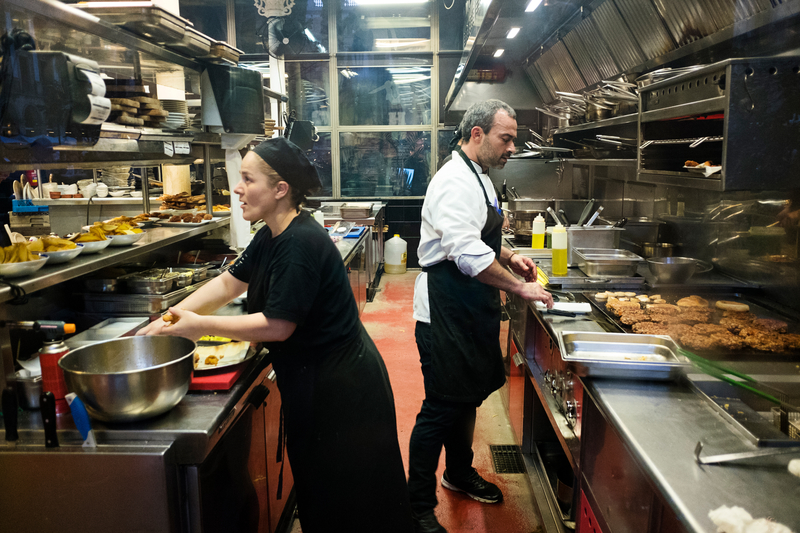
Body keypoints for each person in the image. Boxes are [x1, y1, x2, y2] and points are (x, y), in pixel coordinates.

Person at [138, 137, 414, 533]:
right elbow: (230, 284)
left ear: (280, 189)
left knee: (353, 501)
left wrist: (198, 326)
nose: (237, 188)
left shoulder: (300, 242)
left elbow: (277, 326)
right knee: (325, 494)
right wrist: (170, 318)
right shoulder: (270, 234)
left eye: (247, 179)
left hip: (342, 391)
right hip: (317, 380)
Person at [408, 100, 553, 533]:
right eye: (505, 138)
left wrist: (510, 255)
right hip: (444, 312)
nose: (512, 147)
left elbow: (479, 235)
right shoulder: (454, 181)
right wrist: (517, 285)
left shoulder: (479, 176)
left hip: (468, 308)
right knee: (439, 407)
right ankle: (416, 507)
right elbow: (466, 253)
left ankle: (458, 472)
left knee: (465, 397)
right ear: (476, 134)